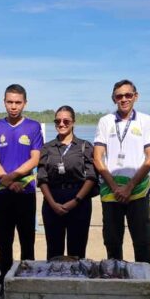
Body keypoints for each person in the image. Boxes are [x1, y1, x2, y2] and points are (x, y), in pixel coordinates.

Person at [0, 84, 43, 299]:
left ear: (25, 103)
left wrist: (14, 177)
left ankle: (27, 284)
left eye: (18, 102)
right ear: (4, 102)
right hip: (2, 192)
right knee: (4, 243)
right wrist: (6, 180)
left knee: (27, 241)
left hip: (25, 191)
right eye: (9, 102)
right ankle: (5, 285)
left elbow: (35, 158)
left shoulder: (33, 126)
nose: (13, 106)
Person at [93, 80, 150, 264]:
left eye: (128, 95)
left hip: (138, 191)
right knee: (112, 242)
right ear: (113, 98)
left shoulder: (145, 120)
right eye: (119, 96)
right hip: (111, 192)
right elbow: (97, 158)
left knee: (143, 241)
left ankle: (144, 278)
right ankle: (115, 279)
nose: (124, 99)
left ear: (136, 96)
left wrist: (129, 187)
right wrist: (115, 188)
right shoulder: (105, 121)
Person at [37, 105, 96, 259]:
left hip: (79, 201)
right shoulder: (47, 148)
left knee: (77, 253)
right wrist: (52, 204)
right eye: (57, 121)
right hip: (52, 200)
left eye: (66, 121)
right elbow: (42, 178)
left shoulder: (84, 146)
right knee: (54, 252)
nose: (61, 124)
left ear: (73, 122)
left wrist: (75, 201)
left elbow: (91, 177)